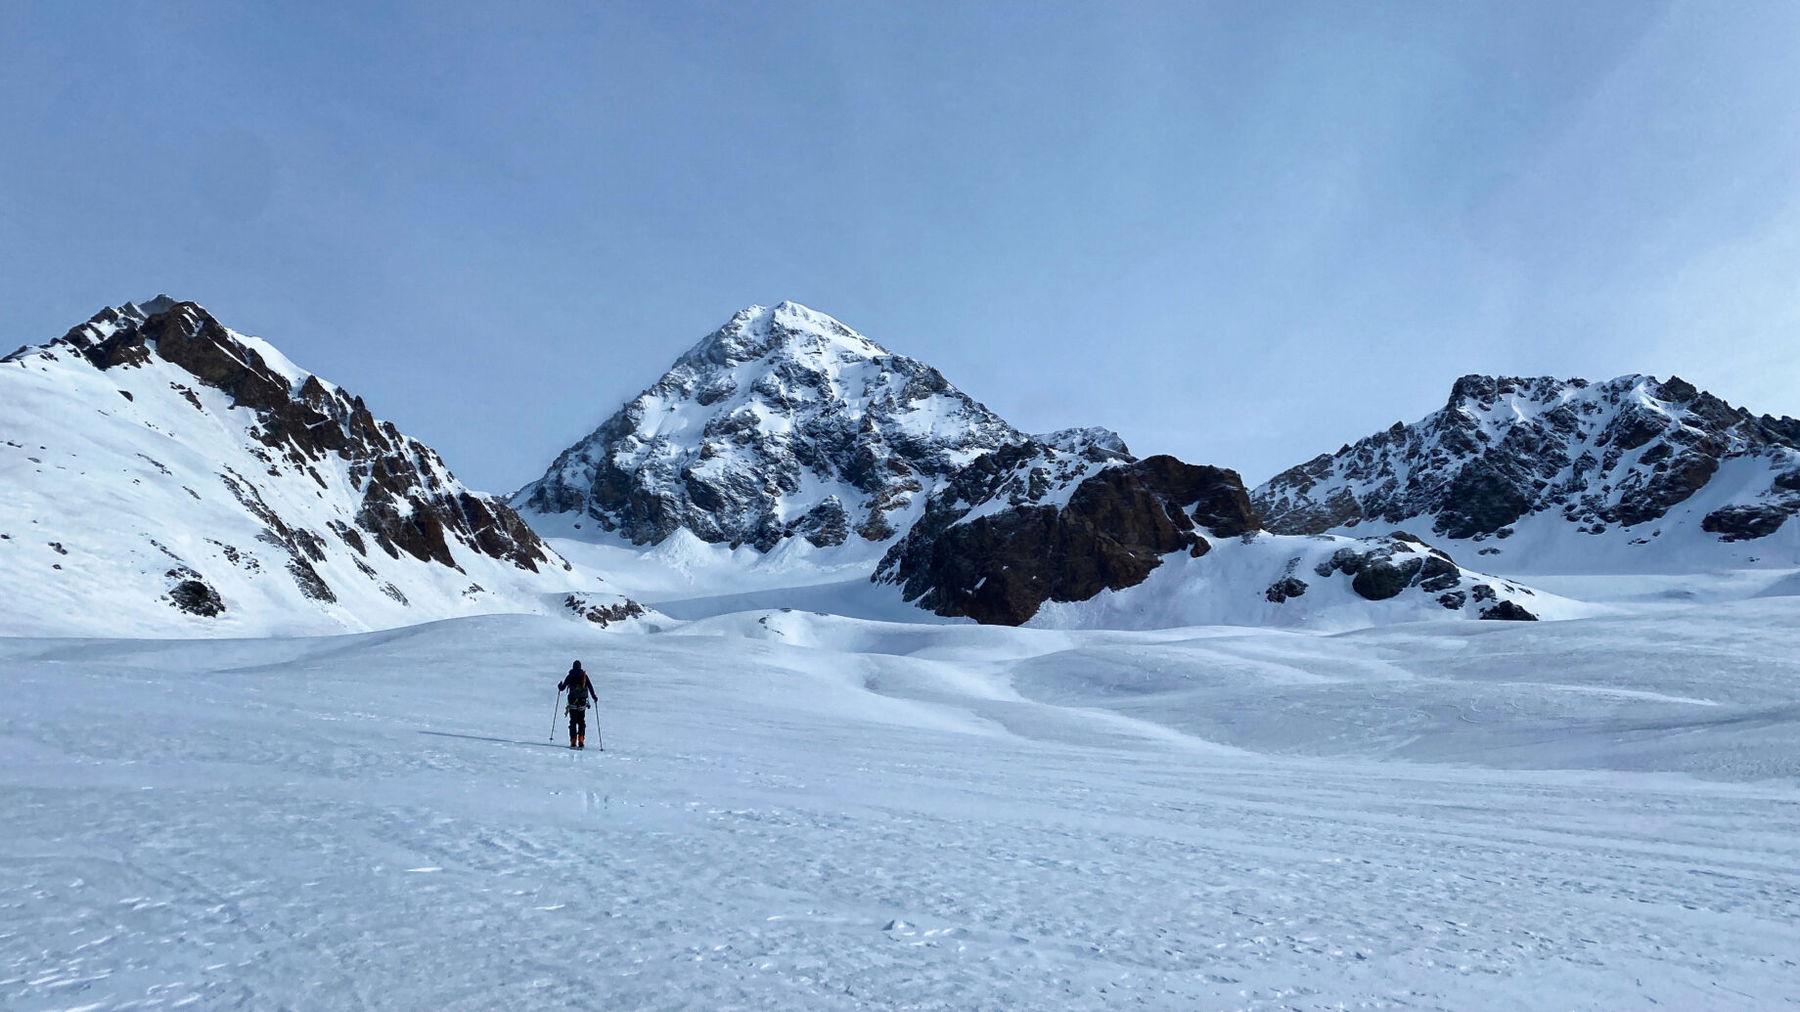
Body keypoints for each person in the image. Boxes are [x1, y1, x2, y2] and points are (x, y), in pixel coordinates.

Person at [559, 661, 596, 749]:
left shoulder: (570, 675)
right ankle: (581, 739)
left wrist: (559, 685)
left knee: (573, 721)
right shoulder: (584, 676)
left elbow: (562, 688)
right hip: (582, 702)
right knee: (581, 721)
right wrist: (594, 697)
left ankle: (573, 740)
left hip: (572, 701)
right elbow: (590, 687)